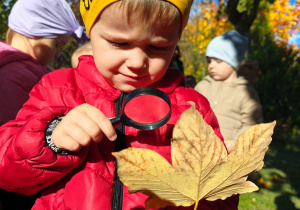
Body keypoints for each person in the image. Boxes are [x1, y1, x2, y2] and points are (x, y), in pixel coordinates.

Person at [0, 0, 239, 209]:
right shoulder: (56, 89)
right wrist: (50, 140)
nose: (137, 62)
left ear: (175, 42)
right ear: (91, 32)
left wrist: (218, 179)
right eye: (119, 43)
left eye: (158, 47)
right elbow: (7, 173)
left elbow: (217, 203)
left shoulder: (191, 107)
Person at [0, 0, 87, 209]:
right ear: (34, 34)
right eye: (57, 45)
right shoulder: (16, 76)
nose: (58, 54)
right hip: (20, 184)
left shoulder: (24, 70)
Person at [194, 30, 263, 153]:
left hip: (228, 155)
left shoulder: (245, 92)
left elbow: (252, 124)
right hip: (199, 149)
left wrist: (234, 142)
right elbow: (189, 112)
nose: (211, 66)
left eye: (218, 61)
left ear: (233, 63)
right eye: (209, 61)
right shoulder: (202, 86)